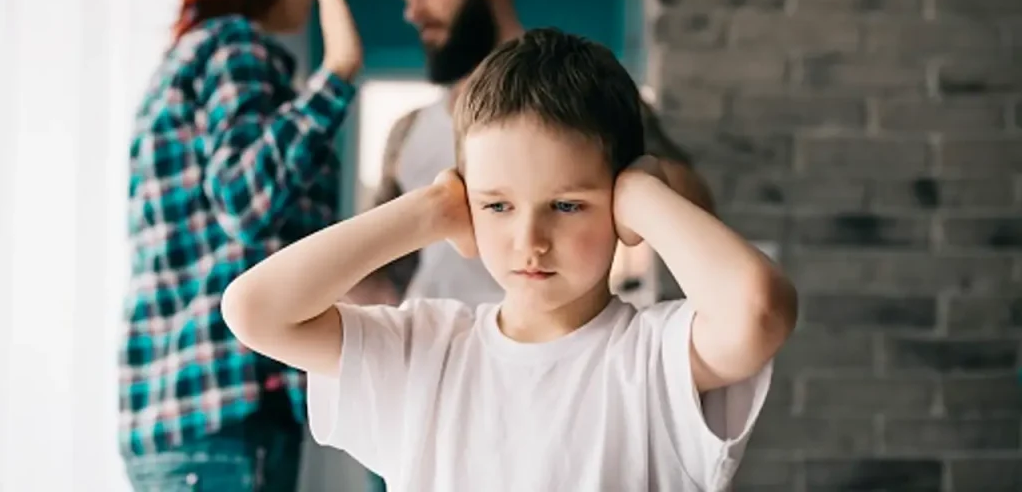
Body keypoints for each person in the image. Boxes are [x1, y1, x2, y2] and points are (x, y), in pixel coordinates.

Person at [222, 28, 798, 491]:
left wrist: (644, 196)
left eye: (567, 205)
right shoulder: (426, 351)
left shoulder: (654, 358)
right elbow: (254, 310)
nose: (530, 240)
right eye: (497, 205)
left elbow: (760, 309)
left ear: (619, 202)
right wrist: (427, 211)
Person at [347, 0, 715, 308]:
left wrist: (624, 186)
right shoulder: (407, 131)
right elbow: (373, 276)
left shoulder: (586, 97)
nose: (412, 12)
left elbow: (693, 204)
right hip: (440, 340)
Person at [118, 0, 362, 488]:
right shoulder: (234, 49)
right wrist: (339, 69)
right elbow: (244, 199)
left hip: (177, 415)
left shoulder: (182, 62)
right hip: (226, 410)